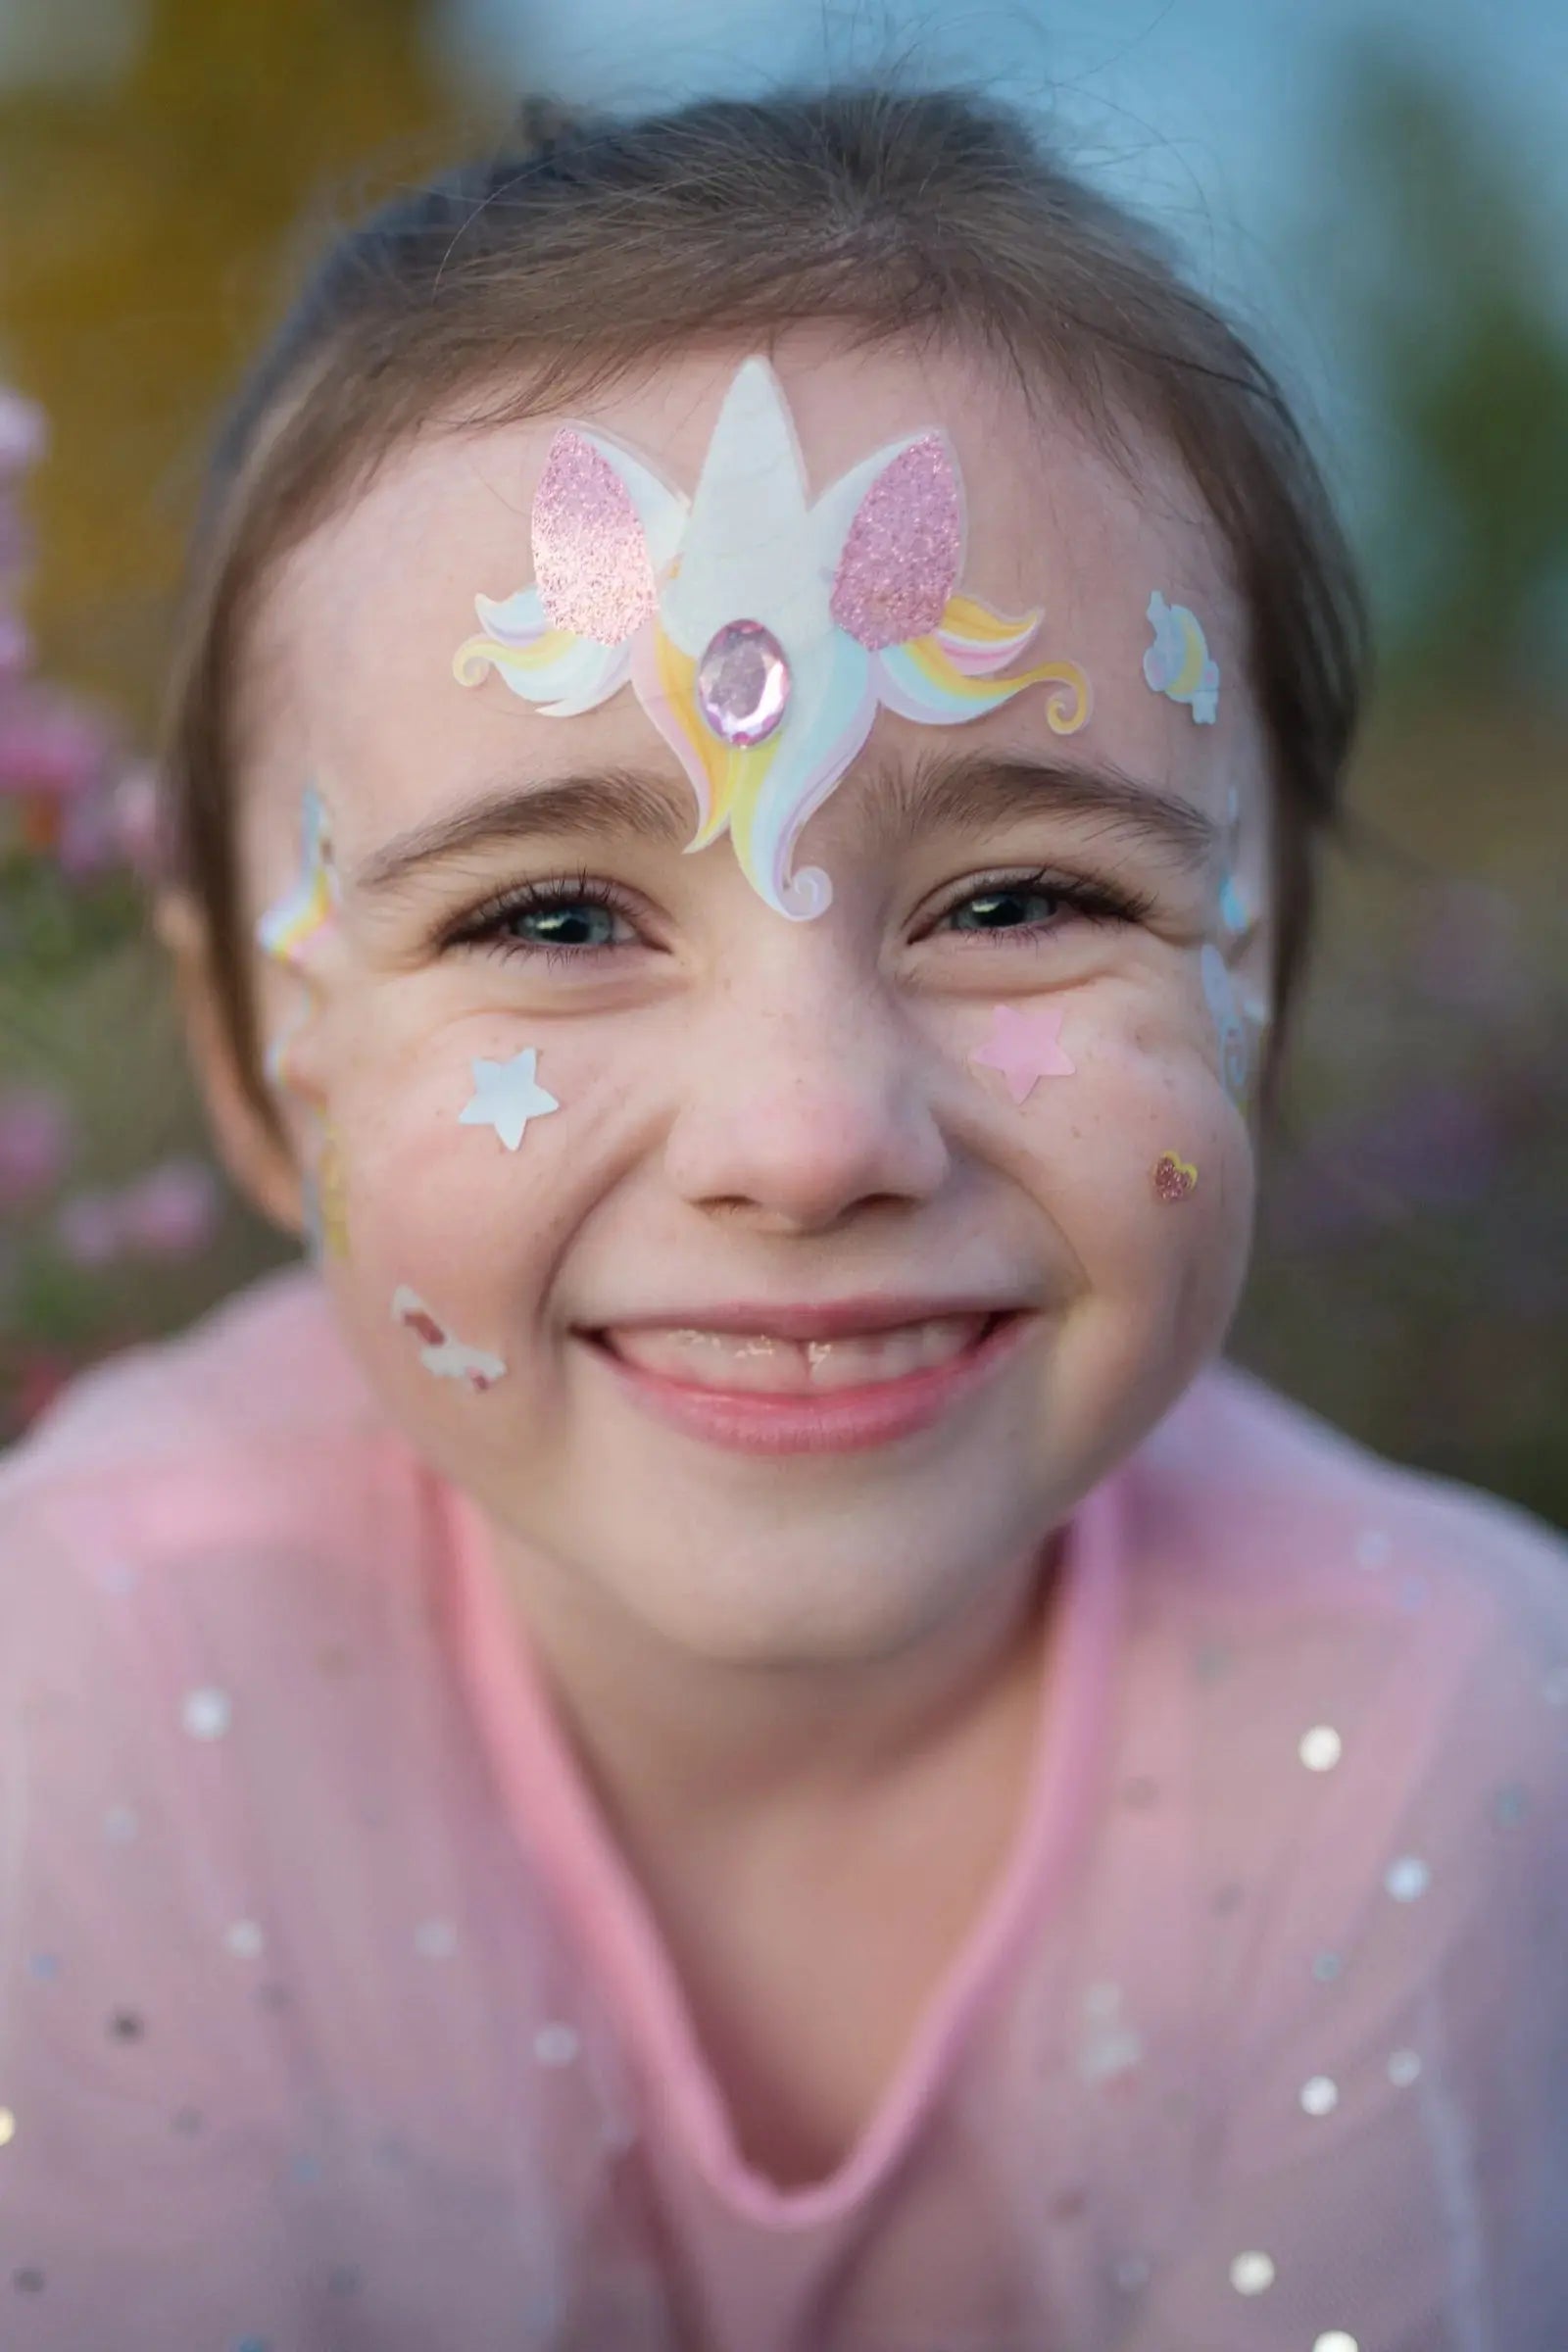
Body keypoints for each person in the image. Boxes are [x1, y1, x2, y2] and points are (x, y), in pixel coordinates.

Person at [1, 84, 1564, 2352]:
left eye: (1023, 896)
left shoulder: (1445, 1744)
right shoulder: (75, 1708)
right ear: (259, 1068)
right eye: (550, 913)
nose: (812, 1132)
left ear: (1261, 986)